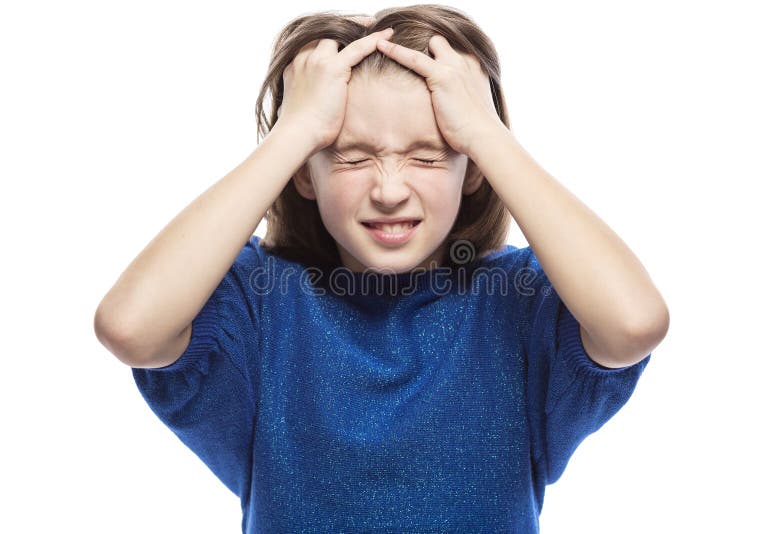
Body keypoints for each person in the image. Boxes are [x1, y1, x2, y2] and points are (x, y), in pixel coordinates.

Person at [93, 5, 669, 533]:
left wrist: (485, 132)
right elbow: (131, 327)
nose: (389, 190)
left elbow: (634, 323)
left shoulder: (516, 301)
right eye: (352, 156)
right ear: (302, 172)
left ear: (472, 170)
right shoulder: (261, 304)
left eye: (427, 156)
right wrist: (295, 131)